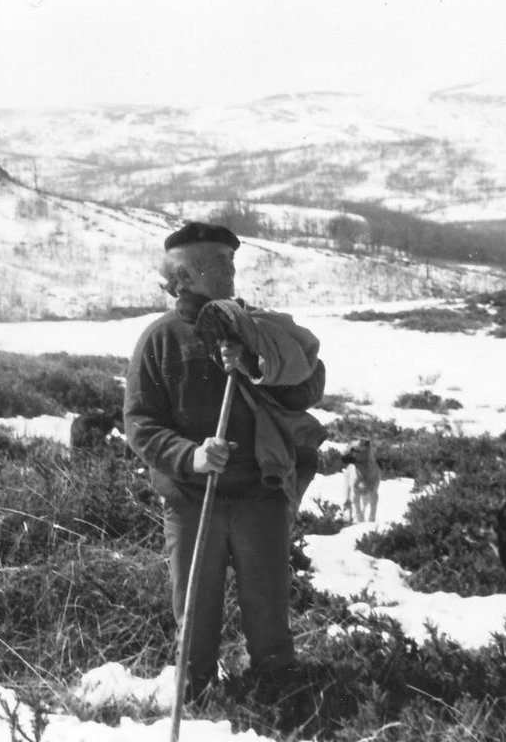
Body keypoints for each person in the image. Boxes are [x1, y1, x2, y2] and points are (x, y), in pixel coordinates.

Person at [123, 221, 327, 704]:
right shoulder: (160, 340)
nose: (230, 269)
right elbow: (140, 423)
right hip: (193, 502)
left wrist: (258, 365)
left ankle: (280, 697)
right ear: (183, 278)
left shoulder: (253, 326)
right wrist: (189, 456)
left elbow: (310, 385)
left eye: (231, 261)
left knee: (269, 608)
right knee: (194, 612)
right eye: (217, 263)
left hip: (260, 494)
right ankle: (197, 701)